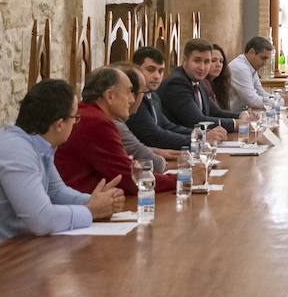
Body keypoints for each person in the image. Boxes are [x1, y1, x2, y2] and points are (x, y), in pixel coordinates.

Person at [0, 79, 123, 262]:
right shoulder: (15, 150)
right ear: (59, 124)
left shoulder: (35, 143)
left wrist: (97, 201)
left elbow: (56, 192)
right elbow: (41, 220)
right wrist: (90, 211)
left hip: (2, 255)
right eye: (75, 118)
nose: (75, 123)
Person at [55, 67, 174, 196]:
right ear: (110, 96)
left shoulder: (89, 113)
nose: (132, 100)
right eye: (129, 92)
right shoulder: (97, 122)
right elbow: (130, 180)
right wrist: (180, 179)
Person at [159, 39, 241, 132]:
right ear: (185, 60)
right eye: (197, 61)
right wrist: (235, 124)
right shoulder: (176, 83)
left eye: (207, 62)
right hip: (178, 142)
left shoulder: (200, 81)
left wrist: (241, 116)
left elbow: (214, 111)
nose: (202, 67)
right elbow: (196, 121)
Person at [126, 47, 195, 150]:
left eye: (160, 71)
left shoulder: (153, 95)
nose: (157, 76)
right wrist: (196, 140)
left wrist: (199, 134)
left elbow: (167, 126)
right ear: (135, 70)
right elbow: (155, 136)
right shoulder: (134, 98)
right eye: (151, 70)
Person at [114, 64, 178, 173]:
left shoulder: (154, 97)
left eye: (161, 71)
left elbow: (167, 126)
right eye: (142, 91)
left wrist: (156, 151)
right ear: (110, 96)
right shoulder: (111, 122)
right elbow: (152, 159)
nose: (132, 100)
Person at [227, 36, 274, 111]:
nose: (265, 63)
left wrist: (277, 99)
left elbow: (261, 92)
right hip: (229, 117)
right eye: (263, 58)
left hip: (240, 114)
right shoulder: (241, 68)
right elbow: (253, 101)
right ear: (251, 52)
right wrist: (278, 101)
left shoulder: (250, 66)